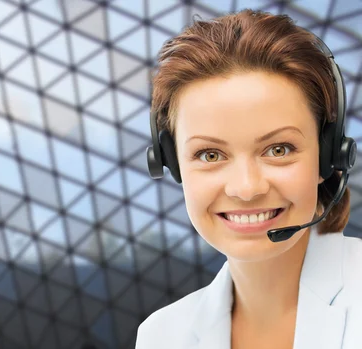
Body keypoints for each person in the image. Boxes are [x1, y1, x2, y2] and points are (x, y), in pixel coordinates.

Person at [136, 9, 362, 349]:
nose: (246, 188)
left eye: (278, 149)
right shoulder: (164, 335)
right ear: (172, 163)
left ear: (329, 155)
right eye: (210, 155)